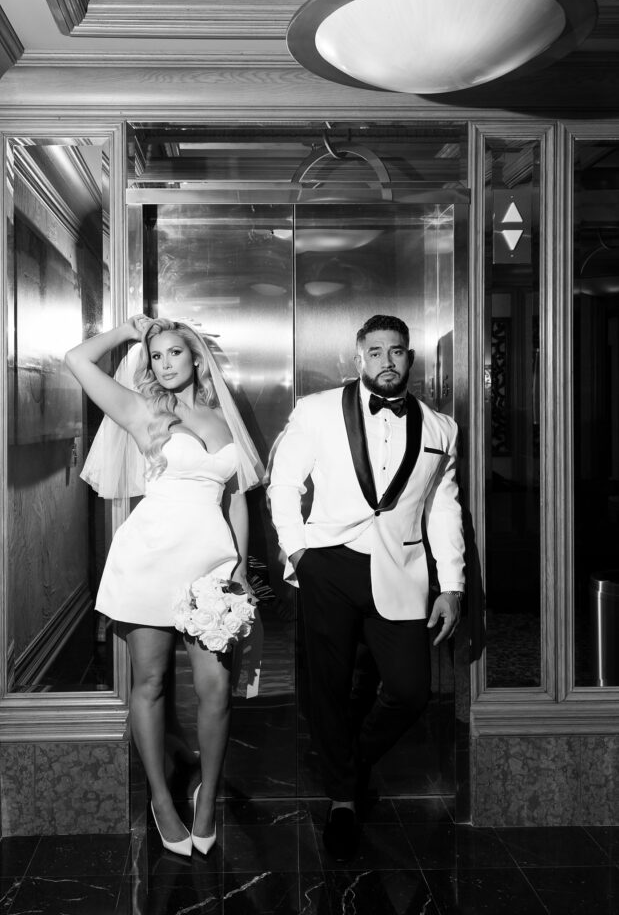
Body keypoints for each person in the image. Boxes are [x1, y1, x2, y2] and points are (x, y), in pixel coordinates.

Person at [267, 314, 465, 860]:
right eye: (374, 351)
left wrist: (452, 585)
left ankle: (347, 766)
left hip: (402, 570)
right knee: (326, 689)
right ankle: (343, 801)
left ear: (410, 358)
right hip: (328, 564)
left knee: (410, 690)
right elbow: (283, 484)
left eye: (396, 351)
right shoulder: (315, 410)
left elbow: (443, 510)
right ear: (358, 359)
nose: (386, 360)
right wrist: (298, 551)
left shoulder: (441, 428)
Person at [65, 314, 263, 856]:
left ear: (195, 357)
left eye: (174, 353)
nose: (164, 364)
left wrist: (240, 568)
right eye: (155, 356)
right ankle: (160, 799)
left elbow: (238, 496)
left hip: (212, 569)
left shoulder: (223, 417)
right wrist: (129, 333)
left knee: (215, 691)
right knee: (149, 684)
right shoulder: (141, 409)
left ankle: (206, 801)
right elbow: (77, 361)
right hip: (150, 559)